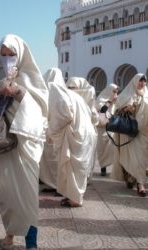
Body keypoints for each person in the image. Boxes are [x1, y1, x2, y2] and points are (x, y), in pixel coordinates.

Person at [0, 34, 48, 250]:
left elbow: (41, 108)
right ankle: (10, 233)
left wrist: (18, 91)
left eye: (11, 54)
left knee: (28, 193)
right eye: (3, 55)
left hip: (25, 144)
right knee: (6, 194)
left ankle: (31, 241)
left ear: (20, 55)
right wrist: (1, 87)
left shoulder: (32, 77)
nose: (7, 58)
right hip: (1, 142)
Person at [48, 76, 97, 207]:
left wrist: (51, 131)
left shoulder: (58, 96)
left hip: (78, 135)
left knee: (75, 168)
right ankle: (74, 196)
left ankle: (76, 199)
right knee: (75, 168)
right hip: (83, 134)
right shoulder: (75, 97)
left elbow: (63, 116)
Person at [110, 74, 148, 197]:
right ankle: (130, 179)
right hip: (128, 133)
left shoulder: (147, 97)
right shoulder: (125, 95)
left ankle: (141, 184)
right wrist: (126, 109)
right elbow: (116, 112)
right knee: (128, 156)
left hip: (141, 132)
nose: (142, 83)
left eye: (144, 81)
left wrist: (142, 103)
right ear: (135, 81)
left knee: (140, 159)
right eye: (140, 81)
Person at [66, 77, 99, 178]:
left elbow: (95, 119)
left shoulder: (88, 104)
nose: (71, 90)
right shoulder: (67, 101)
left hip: (86, 135)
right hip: (71, 134)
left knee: (85, 158)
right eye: (69, 88)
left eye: (73, 88)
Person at [39, 67, 66, 192]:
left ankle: (54, 183)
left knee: (49, 158)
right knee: (54, 158)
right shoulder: (63, 94)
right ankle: (53, 183)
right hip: (56, 130)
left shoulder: (43, 92)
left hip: (48, 129)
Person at [95, 83, 119, 176]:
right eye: (113, 91)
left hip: (111, 128)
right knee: (102, 149)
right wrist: (110, 100)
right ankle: (103, 168)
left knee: (112, 148)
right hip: (101, 129)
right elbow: (102, 110)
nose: (115, 93)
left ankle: (114, 170)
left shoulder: (115, 101)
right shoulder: (100, 99)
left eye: (116, 92)